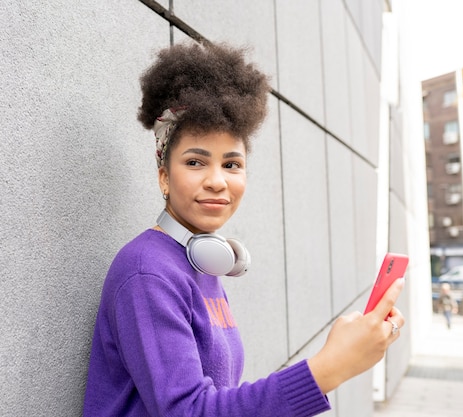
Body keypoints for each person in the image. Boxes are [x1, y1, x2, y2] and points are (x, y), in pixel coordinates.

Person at [82, 41, 406, 417]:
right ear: (164, 177)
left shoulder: (201, 264)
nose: (218, 181)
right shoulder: (147, 273)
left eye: (232, 164)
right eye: (195, 161)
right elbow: (189, 412)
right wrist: (327, 369)